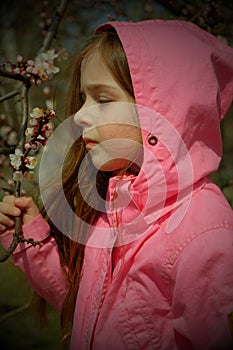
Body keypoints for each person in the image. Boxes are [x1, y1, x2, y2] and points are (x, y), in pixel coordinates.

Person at [0, 19, 233, 350]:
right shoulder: (114, 206)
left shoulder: (205, 236)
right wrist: (30, 236)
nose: (80, 116)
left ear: (164, 110)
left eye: (103, 99)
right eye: (83, 98)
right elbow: (89, 308)